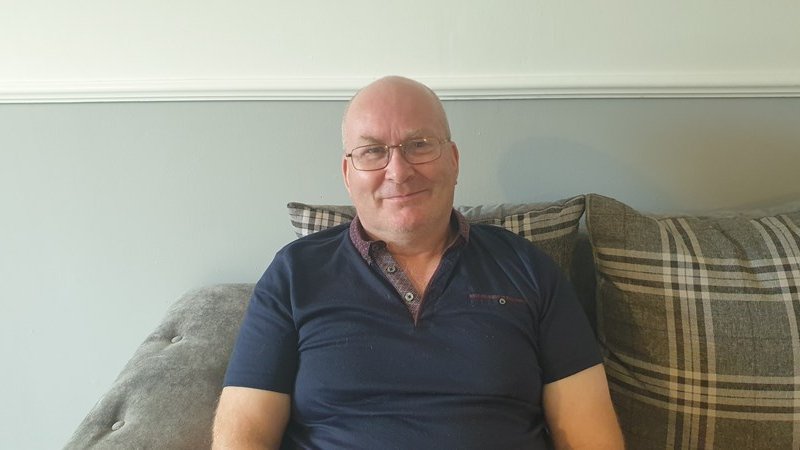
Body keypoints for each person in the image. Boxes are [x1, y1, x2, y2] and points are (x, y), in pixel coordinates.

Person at [213, 76, 624, 449]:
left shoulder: (529, 270)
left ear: (454, 160)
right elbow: (245, 427)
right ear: (347, 173)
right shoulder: (294, 273)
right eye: (373, 151)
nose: (399, 171)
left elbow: (592, 436)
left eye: (419, 145)